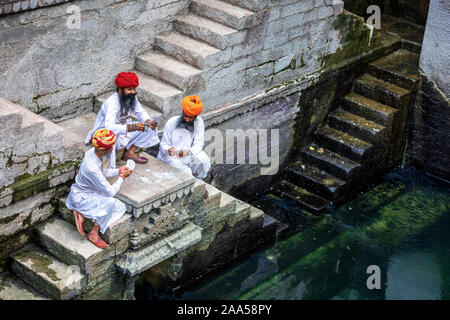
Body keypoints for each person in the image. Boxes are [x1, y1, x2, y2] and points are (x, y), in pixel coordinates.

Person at [66, 129, 132, 249]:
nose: (112, 149)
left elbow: (105, 171)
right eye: (110, 148)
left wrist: (118, 171)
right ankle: (93, 233)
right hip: (82, 197)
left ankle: (82, 213)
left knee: (120, 208)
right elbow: (110, 192)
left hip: (91, 193)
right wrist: (122, 177)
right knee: (111, 203)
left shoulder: (97, 152)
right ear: (102, 150)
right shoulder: (92, 168)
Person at [85, 72, 159, 167]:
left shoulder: (132, 96)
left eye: (134, 89)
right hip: (105, 133)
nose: (133, 92)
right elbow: (109, 127)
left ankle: (130, 153)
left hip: (123, 129)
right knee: (108, 141)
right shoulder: (111, 103)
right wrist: (133, 127)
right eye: (129, 89)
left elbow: (139, 111)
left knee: (150, 127)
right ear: (120, 89)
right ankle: (107, 168)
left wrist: (148, 120)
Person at [157, 95, 211, 179]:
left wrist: (189, 152)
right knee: (187, 173)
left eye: (190, 118)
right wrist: (168, 149)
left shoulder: (199, 122)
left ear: (195, 117)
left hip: (188, 153)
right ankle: (193, 184)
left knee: (204, 161)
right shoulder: (171, 122)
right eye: (185, 116)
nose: (187, 120)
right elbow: (163, 145)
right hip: (171, 158)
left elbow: (199, 144)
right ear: (183, 112)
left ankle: (199, 181)